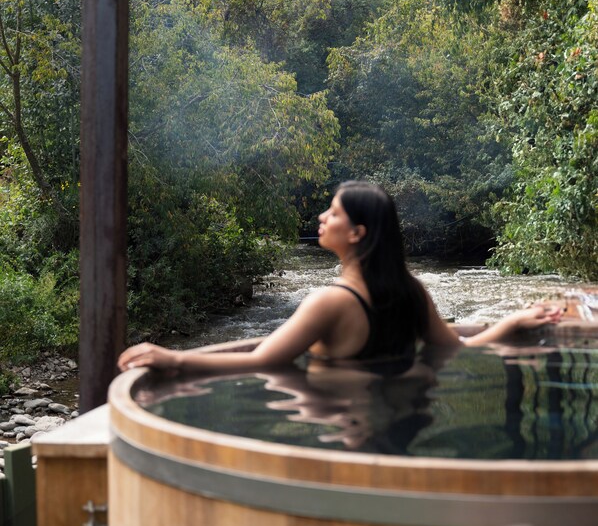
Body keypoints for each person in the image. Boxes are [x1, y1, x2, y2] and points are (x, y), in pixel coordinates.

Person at [118, 180, 561, 374]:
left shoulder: (330, 301)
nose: (321, 217)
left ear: (356, 233)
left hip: (343, 423)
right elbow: (456, 347)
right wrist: (511, 324)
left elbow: (262, 361)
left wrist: (173, 359)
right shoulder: (411, 290)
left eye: (332, 212)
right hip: (404, 414)